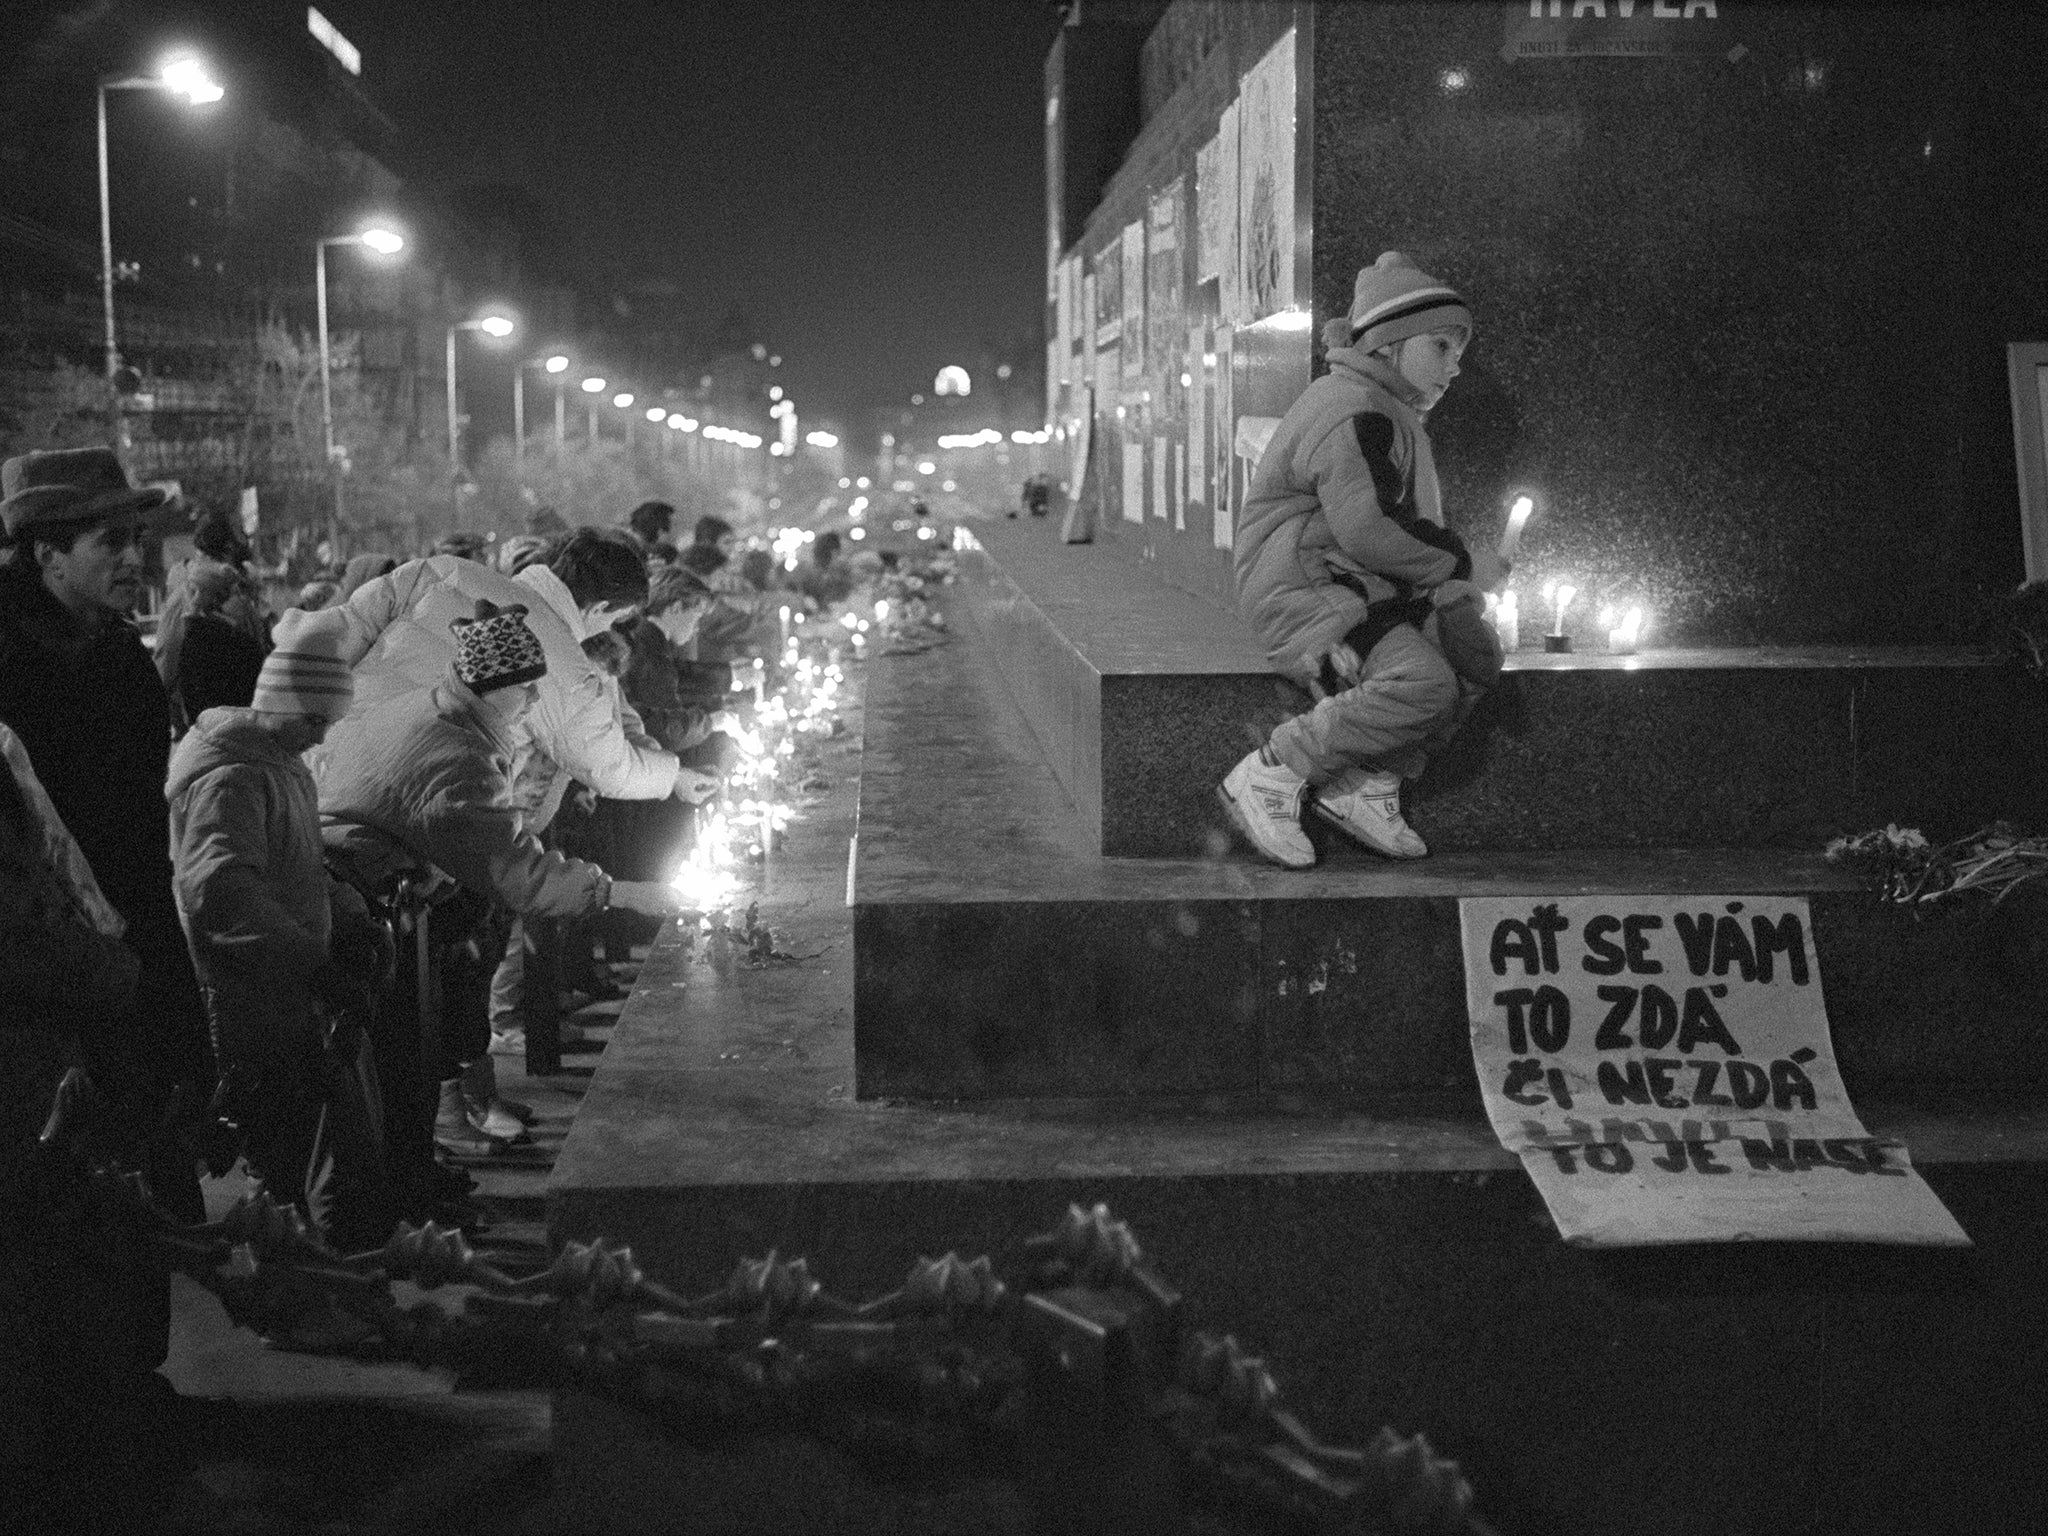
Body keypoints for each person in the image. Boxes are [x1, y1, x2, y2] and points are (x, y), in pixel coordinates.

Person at [0, 448, 214, 1515]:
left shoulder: (125, 665)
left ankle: (131, 1392)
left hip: (123, 959)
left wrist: (166, 997)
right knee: (47, 1216)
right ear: (43, 553)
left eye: (141, 539)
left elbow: (139, 842)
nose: (137, 561)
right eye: (110, 542)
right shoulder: (12, 669)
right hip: (35, 986)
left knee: (141, 1177)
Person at [318, 602, 685, 1162]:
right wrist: (621, 893)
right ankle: (414, 1174)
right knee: (408, 1042)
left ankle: (427, 1157)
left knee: (425, 1025)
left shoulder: (446, 713)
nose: (537, 701)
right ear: (494, 686)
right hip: (366, 897)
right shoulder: (455, 751)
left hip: (377, 887)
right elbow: (513, 868)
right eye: (528, 688)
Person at [1220, 251, 1509, 869]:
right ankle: (1274, 769)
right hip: (1310, 592)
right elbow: (1369, 528)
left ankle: (1364, 785)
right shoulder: (1352, 410)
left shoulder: (1385, 408)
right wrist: (1459, 566)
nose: (1455, 367)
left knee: (1467, 655)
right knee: (1426, 685)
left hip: (1358, 587)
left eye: (1459, 352)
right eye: (1441, 347)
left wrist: (1448, 588)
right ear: (1386, 344)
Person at [166, 612, 385, 1244]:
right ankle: (299, 1294)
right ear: (280, 702)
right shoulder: (233, 776)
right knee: (287, 1158)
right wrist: (313, 964)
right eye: (314, 720)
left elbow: (300, 866)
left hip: (288, 991)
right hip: (249, 997)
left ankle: (321, 1281)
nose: (320, 738)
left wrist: (349, 915)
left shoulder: (278, 764)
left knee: (313, 1148)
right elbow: (223, 890)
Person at [166, 561, 271, 733]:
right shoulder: (240, 636)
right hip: (245, 728)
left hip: (207, 732)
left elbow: (189, 695)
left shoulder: (195, 635)